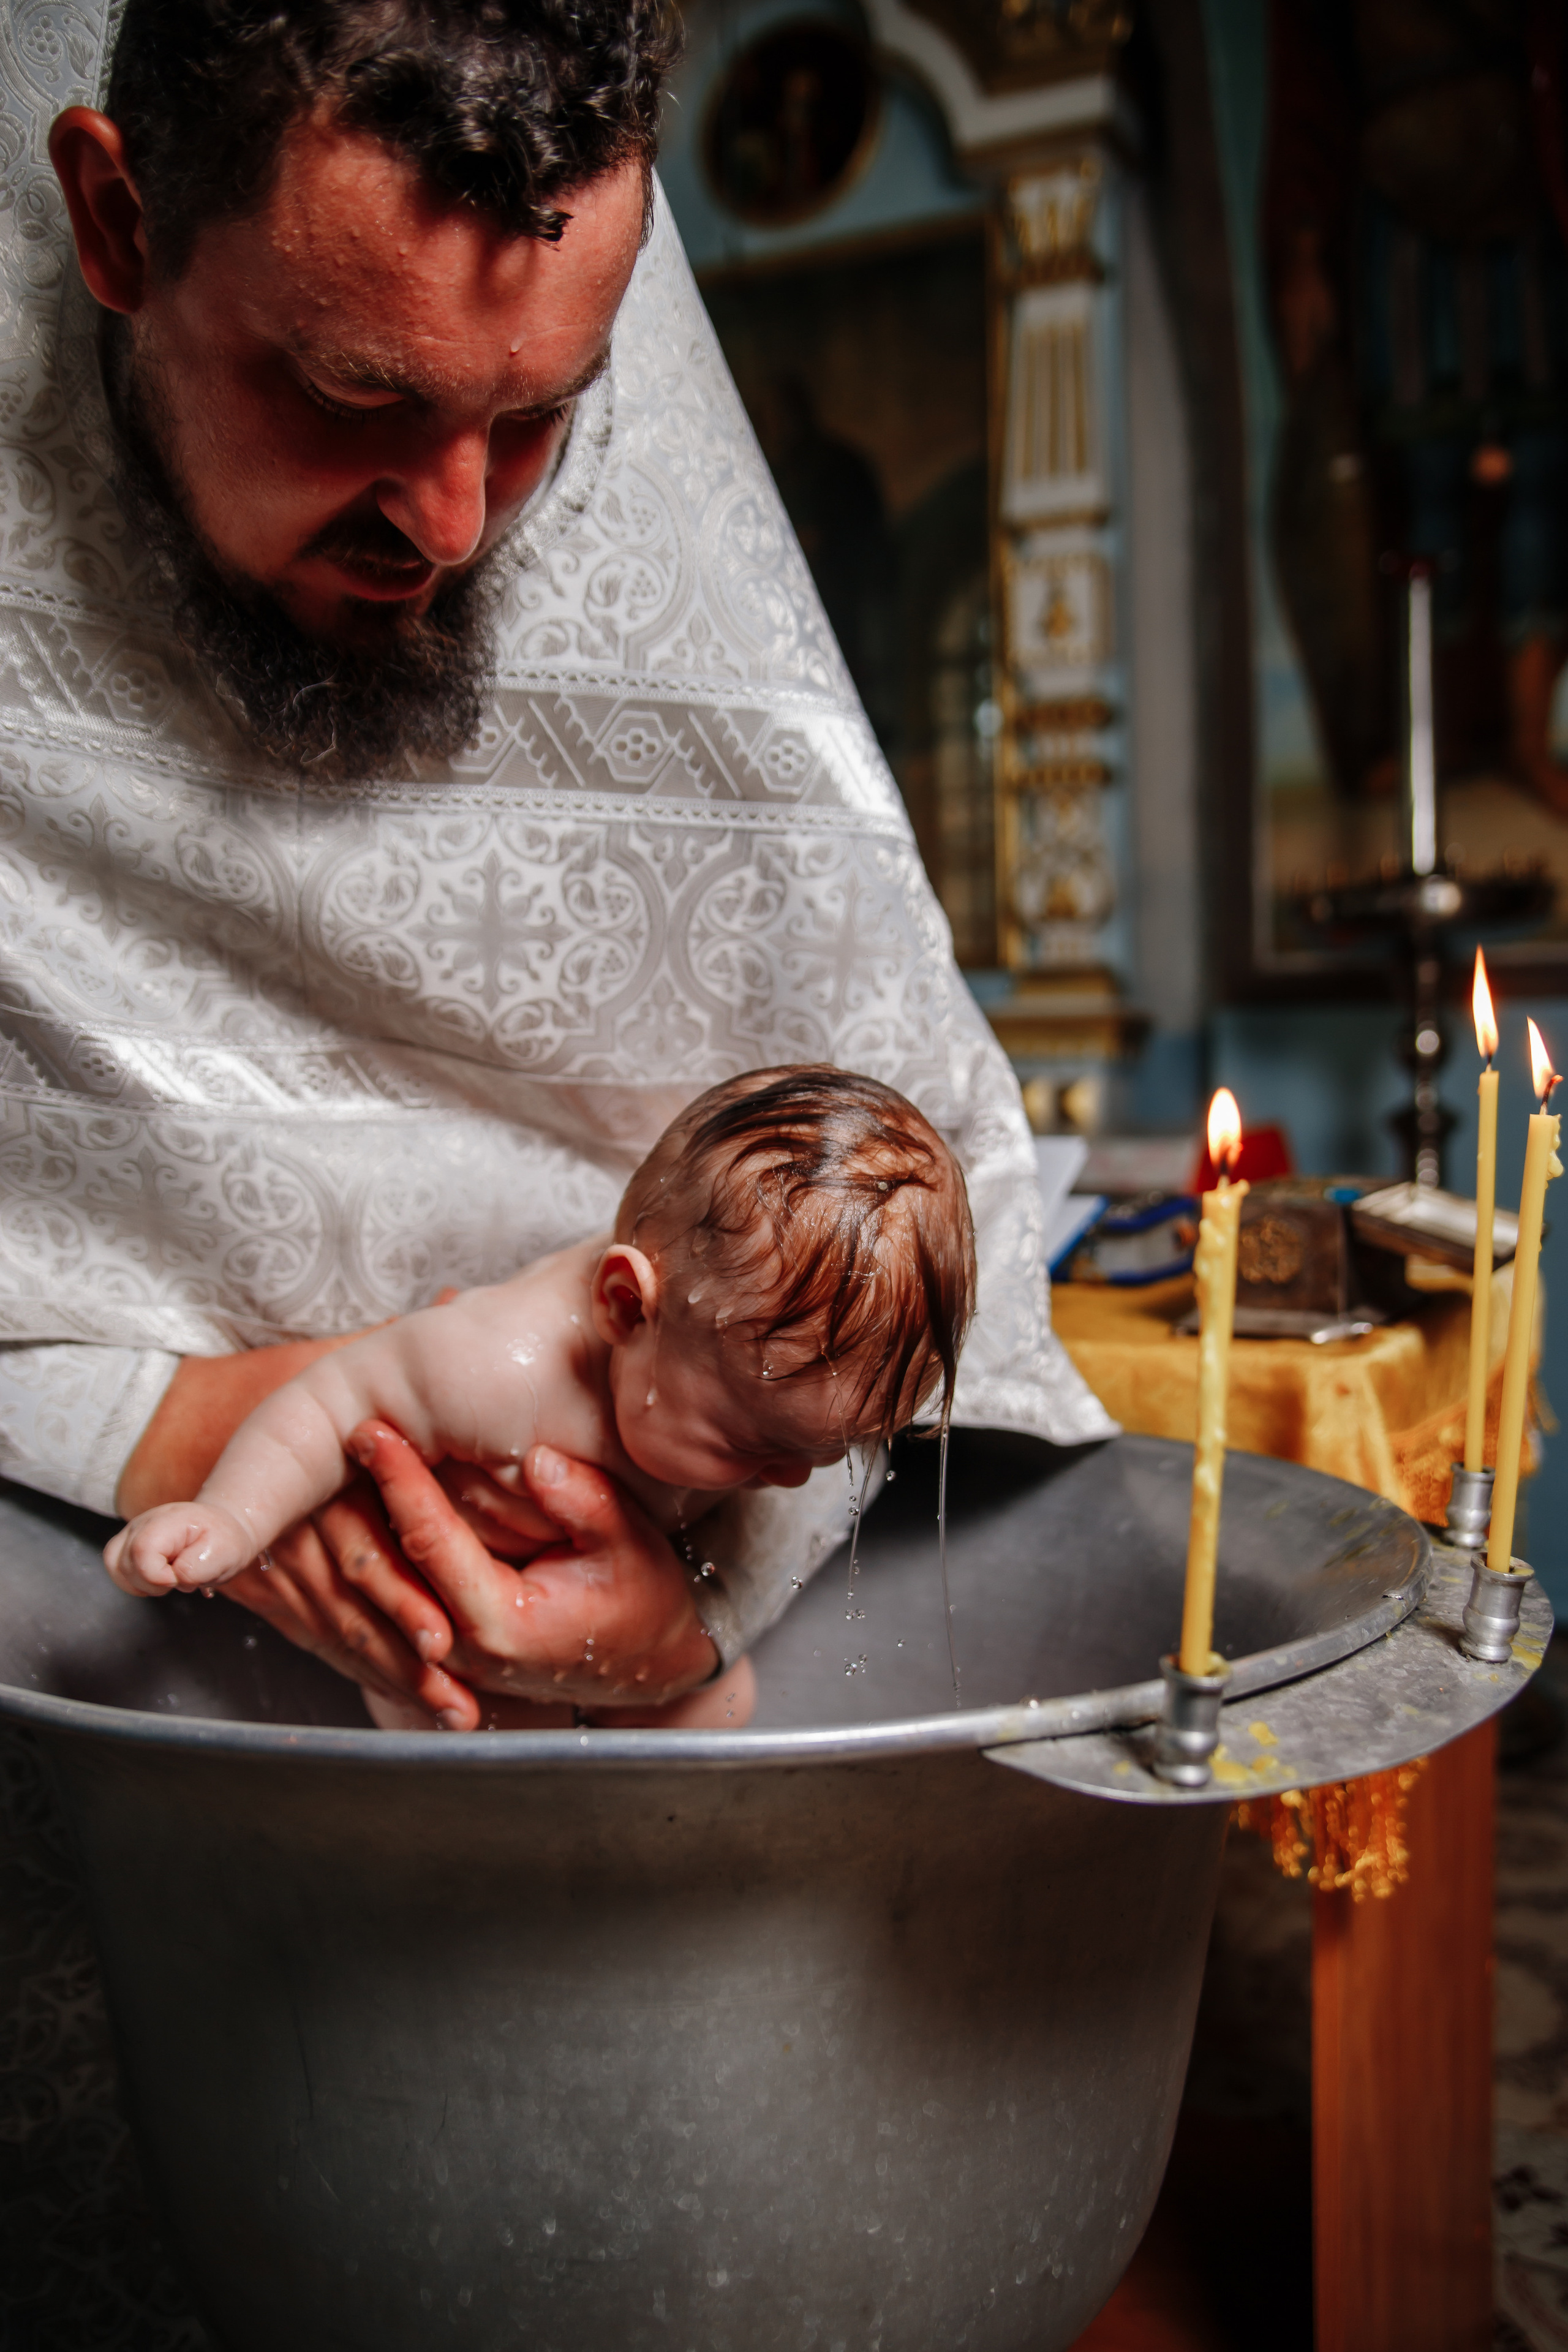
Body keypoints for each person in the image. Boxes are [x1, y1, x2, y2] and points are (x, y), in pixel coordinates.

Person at [0, 0, 1113, 1736]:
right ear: (120, 224)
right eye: (354, 391)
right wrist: (192, 1426)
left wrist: (685, 1610)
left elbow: (924, 1297)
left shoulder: (612, 522)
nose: (453, 526)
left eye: (536, 419)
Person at [104, 1066, 976, 1733]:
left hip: (620, 1597)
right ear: (624, 1306)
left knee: (726, 1704)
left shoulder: (721, 1363)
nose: (790, 1481)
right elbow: (321, 1410)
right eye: (751, 1445)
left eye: (830, 1454)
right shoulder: (493, 1368)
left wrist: (686, 1632)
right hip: (450, 1632)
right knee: (467, 1729)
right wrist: (228, 1523)